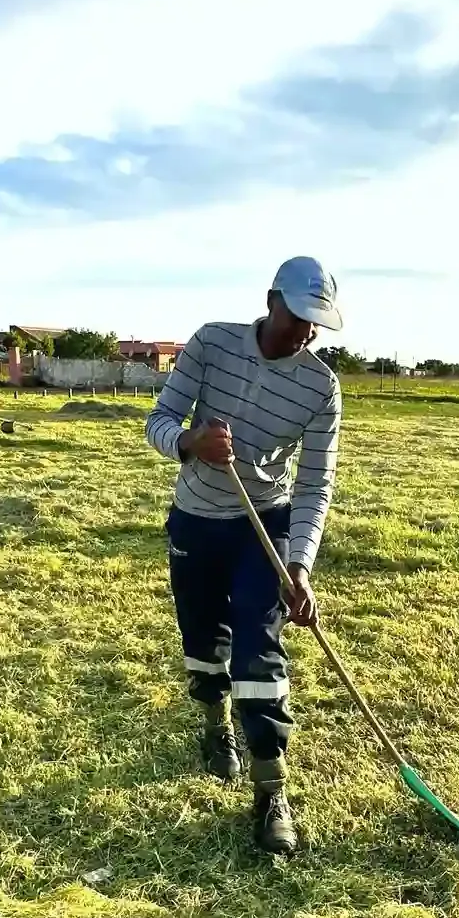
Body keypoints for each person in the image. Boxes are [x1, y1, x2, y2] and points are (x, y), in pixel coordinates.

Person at [146, 257, 343, 857]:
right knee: (204, 642)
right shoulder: (212, 343)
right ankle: (214, 723)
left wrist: (301, 566)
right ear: (270, 300)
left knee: (260, 652)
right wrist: (188, 442)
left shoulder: (320, 387)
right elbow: (158, 420)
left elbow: (315, 485)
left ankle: (271, 789)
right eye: (297, 317)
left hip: (266, 530)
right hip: (196, 522)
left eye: (317, 324)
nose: (304, 333)